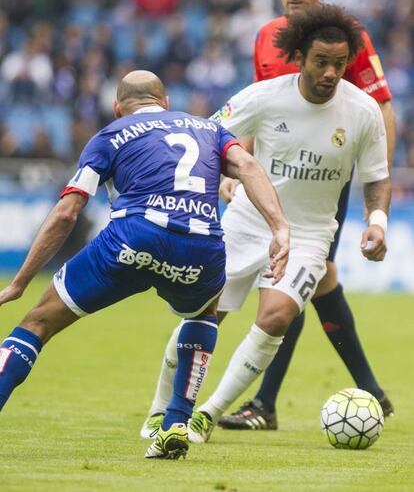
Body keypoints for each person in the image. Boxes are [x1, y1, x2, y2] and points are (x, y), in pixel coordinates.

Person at [0, 70, 289, 460]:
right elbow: (249, 168)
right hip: (200, 246)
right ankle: (175, 422)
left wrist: (20, 282)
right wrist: (279, 227)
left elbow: (68, 212)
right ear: (166, 102)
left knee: (36, 323)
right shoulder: (210, 129)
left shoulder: (110, 135)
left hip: (133, 239)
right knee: (204, 313)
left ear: (119, 108)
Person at [141, 4, 391, 445]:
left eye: (339, 63)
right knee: (203, 314)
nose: (331, 72)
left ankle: (207, 415)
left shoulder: (364, 111)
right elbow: (207, 136)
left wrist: (377, 221)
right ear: (299, 56)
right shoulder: (264, 96)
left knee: (276, 317)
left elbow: (376, 178)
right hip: (247, 222)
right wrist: (218, 177)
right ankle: (160, 410)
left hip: (310, 235)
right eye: (321, 62)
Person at [215, 0, 395, 430]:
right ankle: (373, 390)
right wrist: (240, 170)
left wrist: (377, 194)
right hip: (271, 183)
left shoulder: (345, 40)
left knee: (297, 280)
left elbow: (379, 110)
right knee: (320, 280)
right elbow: (258, 111)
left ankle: (264, 404)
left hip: (324, 184)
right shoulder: (266, 37)